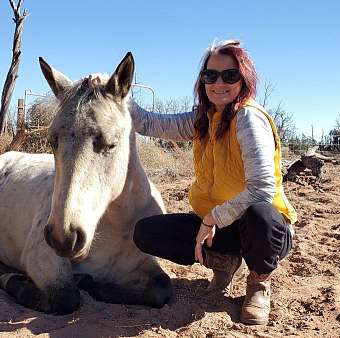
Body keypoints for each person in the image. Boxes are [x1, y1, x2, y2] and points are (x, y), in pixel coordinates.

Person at [98, 39, 297, 325]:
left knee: (261, 214)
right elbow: (147, 123)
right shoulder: (202, 119)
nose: (219, 83)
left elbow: (262, 190)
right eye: (210, 75)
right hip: (221, 226)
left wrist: (210, 219)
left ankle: (258, 282)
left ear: (244, 79)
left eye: (230, 75)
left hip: (264, 231)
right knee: (146, 233)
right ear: (202, 80)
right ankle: (225, 262)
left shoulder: (249, 119)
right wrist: (114, 87)